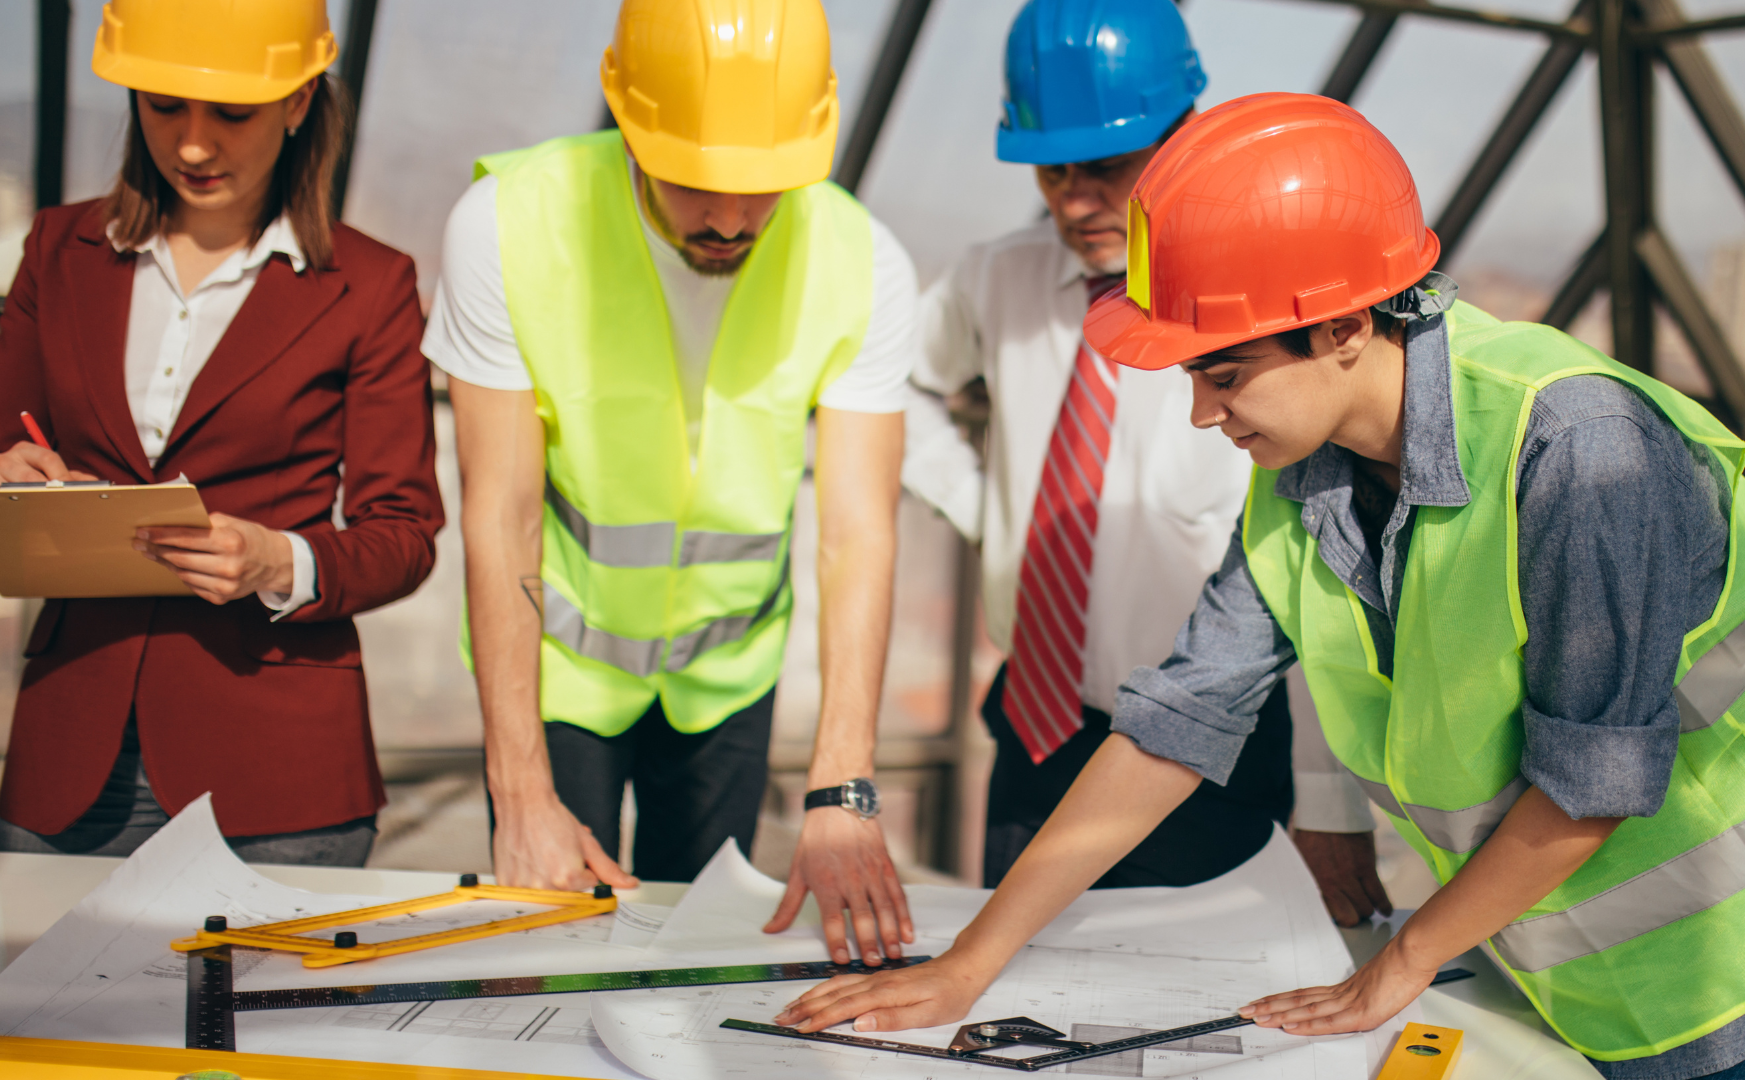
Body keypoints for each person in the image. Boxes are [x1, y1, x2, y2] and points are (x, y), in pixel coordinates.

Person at [777, 94, 1745, 1080]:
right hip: (1551, 944)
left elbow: (1593, 784)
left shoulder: (1582, 450)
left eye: (1223, 374)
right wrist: (968, 965)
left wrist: (1402, 965)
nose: (1203, 414)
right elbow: (1176, 721)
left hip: (1726, 949)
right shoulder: (1301, 470)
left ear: (1346, 327)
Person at [427, 0, 918, 968]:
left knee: (699, 965)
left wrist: (842, 786)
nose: (732, 219)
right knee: (549, 952)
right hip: (561, 668)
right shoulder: (507, 225)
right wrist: (521, 793)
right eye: (698, 181)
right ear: (629, 116)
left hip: (729, 677)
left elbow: (860, 532)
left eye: (767, 184)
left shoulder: (864, 261)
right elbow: (502, 512)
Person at [904, 0, 1385, 914]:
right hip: (1036, 726)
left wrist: (1330, 805)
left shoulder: (1258, 302)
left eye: (1108, 168)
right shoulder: (994, 278)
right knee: (1011, 992)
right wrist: (990, 511)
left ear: (1183, 140)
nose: (1075, 200)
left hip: (1220, 743)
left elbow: (1321, 574)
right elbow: (895, 382)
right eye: (1053, 172)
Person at [0, 0, 444, 864]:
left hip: (278, 773)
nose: (194, 145)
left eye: (231, 113)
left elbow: (407, 533)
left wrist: (281, 560)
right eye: (164, 106)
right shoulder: (56, 250)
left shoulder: (372, 284)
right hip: (67, 753)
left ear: (300, 100)